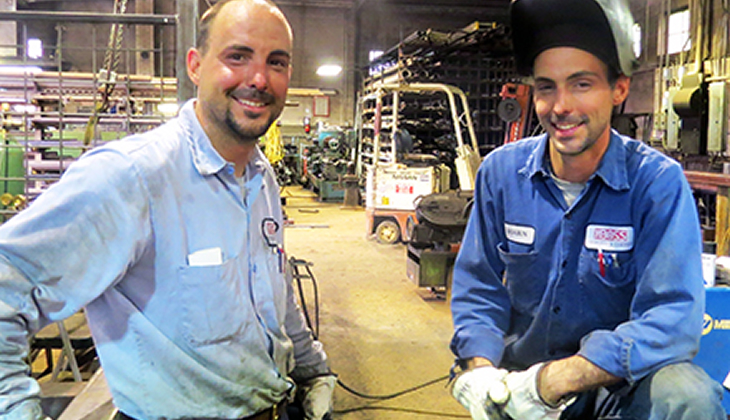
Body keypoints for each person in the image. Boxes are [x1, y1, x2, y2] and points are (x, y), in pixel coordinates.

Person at [0, 1, 336, 419]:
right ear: (195, 66)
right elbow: (6, 286)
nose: (259, 79)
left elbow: (275, 290)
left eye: (277, 63)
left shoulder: (259, 178)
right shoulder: (132, 177)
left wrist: (312, 369)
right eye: (238, 57)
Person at [449, 0, 727, 419]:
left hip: (618, 387)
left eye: (581, 84)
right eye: (547, 87)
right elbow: (478, 288)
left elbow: (672, 317)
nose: (561, 106)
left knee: (687, 397)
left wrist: (555, 381)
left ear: (619, 89)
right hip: (519, 384)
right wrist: (481, 372)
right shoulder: (501, 174)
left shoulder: (655, 183)